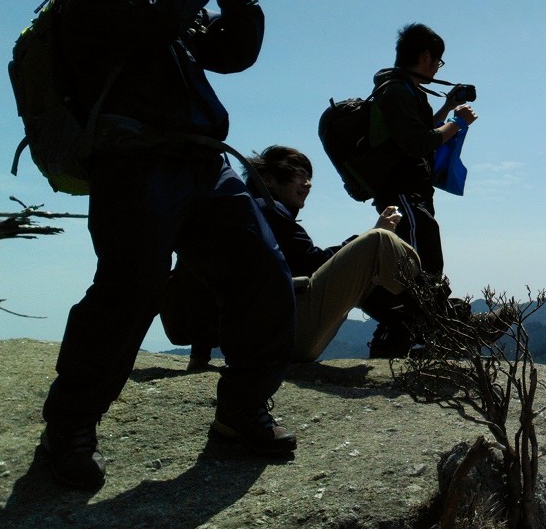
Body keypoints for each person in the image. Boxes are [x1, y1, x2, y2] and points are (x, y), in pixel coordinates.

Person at [39, 0, 297, 491]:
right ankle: (68, 429)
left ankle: (241, 412)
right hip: (134, 165)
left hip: (203, 164)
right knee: (128, 292)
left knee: (263, 274)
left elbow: (231, 54)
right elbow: (157, 17)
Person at [166, 145, 426, 367]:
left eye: (309, 177)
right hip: (284, 338)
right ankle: (430, 320)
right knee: (379, 241)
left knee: (367, 260)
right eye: (299, 175)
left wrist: (200, 354)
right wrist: (374, 233)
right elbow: (314, 262)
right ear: (268, 180)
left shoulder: (236, 215)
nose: (308, 183)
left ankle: (405, 326)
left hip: (263, 339)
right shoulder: (265, 210)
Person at [364, 23, 477, 356]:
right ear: (426, 56)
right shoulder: (396, 91)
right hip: (402, 191)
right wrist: (457, 123)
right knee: (419, 264)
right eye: (437, 61)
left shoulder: (405, 90)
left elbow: (418, 131)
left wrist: (446, 109)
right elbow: (418, 143)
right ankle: (413, 337)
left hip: (412, 191)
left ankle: (411, 334)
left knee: (422, 261)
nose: (437, 68)